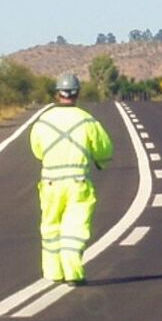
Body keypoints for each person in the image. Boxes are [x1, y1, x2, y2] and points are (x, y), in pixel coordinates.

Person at [29, 74, 114, 285]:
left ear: (57, 93)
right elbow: (104, 149)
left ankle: (53, 272)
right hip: (78, 184)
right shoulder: (87, 121)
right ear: (77, 93)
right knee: (75, 227)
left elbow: (37, 151)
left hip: (50, 183)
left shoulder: (42, 122)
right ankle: (73, 271)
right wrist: (101, 162)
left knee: (50, 226)